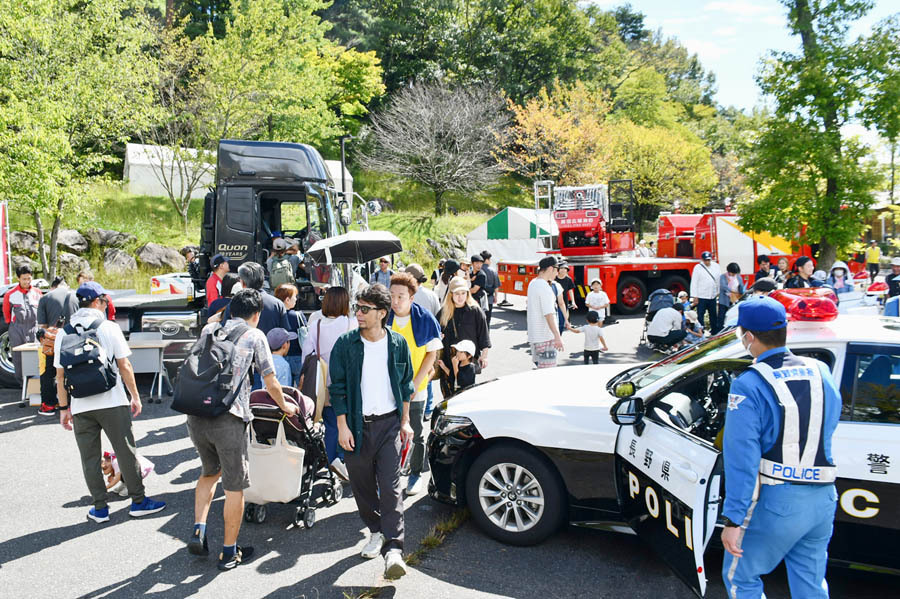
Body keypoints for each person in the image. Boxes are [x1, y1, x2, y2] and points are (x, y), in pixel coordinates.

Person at [720, 296, 839, 599]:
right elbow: (830, 422)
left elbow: (742, 458)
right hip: (823, 499)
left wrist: (733, 519)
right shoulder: (820, 370)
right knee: (810, 584)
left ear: (748, 337)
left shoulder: (749, 383)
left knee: (740, 578)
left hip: (777, 501)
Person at [185, 289, 299, 571]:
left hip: (197, 414)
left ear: (230, 309)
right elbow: (271, 382)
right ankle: (228, 552)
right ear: (257, 315)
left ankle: (199, 529)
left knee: (208, 473)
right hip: (229, 418)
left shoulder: (210, 328)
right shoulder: (254, 335)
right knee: (234, 486)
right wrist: (286, 407)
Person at [55, 281, 167, 524]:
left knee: (90, 458)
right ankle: (139, 502)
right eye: (105, 301)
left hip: (81, 404)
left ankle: (99, 508)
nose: (106, 305)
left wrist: (64, 409)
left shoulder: (64, 332)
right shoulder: (108, 327)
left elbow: (60, 375)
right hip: (113, 402)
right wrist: (135, 396)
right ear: (97, 302)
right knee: (126, 452)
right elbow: (125, 365)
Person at [329, 284, 415, 580]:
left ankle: (394, 549)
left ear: (382, 313)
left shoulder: (398, 343)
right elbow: (337, 389)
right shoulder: (346, 344)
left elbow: (406, 386)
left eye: (365, 309)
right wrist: (341, 427)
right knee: (363, 489)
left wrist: (405, 421)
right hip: (355, 426)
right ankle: (376, 531)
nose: (359, 314)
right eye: (357, 308)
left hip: (389, 424)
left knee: (391, 489)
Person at [387, 273, 442, 496]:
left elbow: (432, 354)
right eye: (392, 296)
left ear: (412, 297)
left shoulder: (424, 319)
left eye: (401, 296)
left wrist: (415, 382)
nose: (395, 301)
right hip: (388, 387)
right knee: (388, 434)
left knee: (416, 432)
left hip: (416, 386)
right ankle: (389, 477)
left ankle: (415, 473)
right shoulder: (383, 317)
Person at [300, 286, 356, 480]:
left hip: (322, 385)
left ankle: (332, 459)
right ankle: (342, 461)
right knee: (347, 422)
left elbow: (306, 356)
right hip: (347, 383)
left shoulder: (315, 325)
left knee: (331, 423)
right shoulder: (351, 324)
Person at [437, 277, 491, 394]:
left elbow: (484, 335)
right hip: (447, 360)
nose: (460, 297)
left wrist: (484, 355)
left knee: (465, 396)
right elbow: (434, 335)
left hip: (467, 364)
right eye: (457, 293)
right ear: (451, 294)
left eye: (463, 293)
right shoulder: (443, 313)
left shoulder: (475, 311)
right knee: (448, 397)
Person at [35, 276, 78, 415]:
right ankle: (72, 404)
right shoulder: (76, 296)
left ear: (52, 287)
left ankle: (48, 405)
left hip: (53, 342)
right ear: (66, 285)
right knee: (72, 372)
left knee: (49, 373)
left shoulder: (45, 298)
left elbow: (42, 326)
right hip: (74, 340)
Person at [4, 264, 42, 387]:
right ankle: (23, 386)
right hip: (17, 329)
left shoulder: (37, 293)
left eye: (29, 278)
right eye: (24, 279)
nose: (27, 281)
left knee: (36, 358)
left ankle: (36, 387)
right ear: (18, 279)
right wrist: (13, 327)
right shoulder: (10, 294)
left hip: (34, 328)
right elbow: (6, 313)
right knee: (18, 359)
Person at [526, 256, 565, 369]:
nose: (557, 273)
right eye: (557, 269)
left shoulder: (533, 283)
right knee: (547, 374)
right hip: (545, 337)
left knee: (540, 370)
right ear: (550, 268)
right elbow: (549, 314)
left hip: (535, 336)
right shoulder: (545, 287)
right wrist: (557, 336)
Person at [273, 283, 307, 386]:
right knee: (301, 388)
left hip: (280, 357)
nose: (296, 299)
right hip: (298, 357)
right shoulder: (298, 316)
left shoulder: (275, 316)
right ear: (287, 300)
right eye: (294, 297)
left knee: (285, 389)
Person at [690, 251, 721, 333]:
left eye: (708, 260)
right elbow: (694, 282)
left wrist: (718, 291)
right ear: (702, 260)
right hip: (701, 295)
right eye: (705, 260)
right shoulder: (698, 267)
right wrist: (695, 296)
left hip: (712, 295)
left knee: (713, 314)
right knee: (700, 315)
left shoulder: (716, 266)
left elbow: (718, 280)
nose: (707, 262)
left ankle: (714, 330)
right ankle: (701, 331)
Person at [718, 262, 746, 332]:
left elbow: (741, 286)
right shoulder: (723, 276)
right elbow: (723, 287)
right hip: (724, 301)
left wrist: (742, 291)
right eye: (732, 273)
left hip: (735, 300)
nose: (733, 274)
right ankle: (719, 331)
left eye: (735, 273)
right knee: (722, 317)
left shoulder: (738, 277)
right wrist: (733, 291)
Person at [480, 251, 501, 326]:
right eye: (490, 259)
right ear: (486, 260)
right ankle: (486, 335)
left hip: (478, 298)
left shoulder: (478, 270)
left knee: (478, 319)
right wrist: (496, 296)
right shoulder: (493, 271)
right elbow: (496, 286)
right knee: (487, 320)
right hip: (489, 299)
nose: (490, 261)